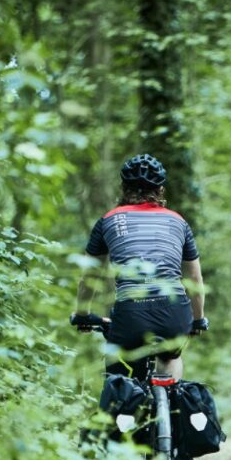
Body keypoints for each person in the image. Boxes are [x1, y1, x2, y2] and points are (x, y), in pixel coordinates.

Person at [72, 153, 207, 379]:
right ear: (161, 190)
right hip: (173, 313)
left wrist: (82, 314)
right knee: (170, 356)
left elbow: (90, 277)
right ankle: (171, 403)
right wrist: (198, 319)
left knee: (120, 377)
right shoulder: (178, 221)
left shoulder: (108, 220)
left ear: (123, 188)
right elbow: (195, 280)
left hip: (130, 314)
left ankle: (122, 411)